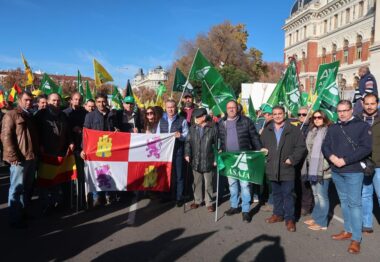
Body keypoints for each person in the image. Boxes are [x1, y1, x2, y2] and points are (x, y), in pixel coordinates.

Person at [322, 100, 372, 254]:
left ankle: (356, 239)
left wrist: (345, 160)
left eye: (345, 110)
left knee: (354, 204)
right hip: (337, 171)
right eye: (339, 111)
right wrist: (332, 157)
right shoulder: (334, 127)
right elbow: (325, 145)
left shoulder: (362, 126)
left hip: (354, 171)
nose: (342, 113)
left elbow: (366, 148)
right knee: (344, 202)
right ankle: (348, 230)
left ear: (351, 110)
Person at [260, 106, 307, 232]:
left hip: (287, 168)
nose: (277, 116)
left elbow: (301, 147)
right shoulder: (267, 130)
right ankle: (278, 214)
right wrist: (262, 149)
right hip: (272, 168)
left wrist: (292, 159)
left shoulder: (293, 129)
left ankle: (290, 219)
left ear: (284, 114)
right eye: (274, 114)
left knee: (288, 195)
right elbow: (261, 145)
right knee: (276, 194)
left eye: (279, 113)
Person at [218, 100, 262, 223]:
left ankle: (246, 210)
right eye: (229, 107)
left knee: (245, 185)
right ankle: (234, 206)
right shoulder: (222, 122)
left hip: (243, 157)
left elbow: (254, 136)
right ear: (226, 109)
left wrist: (259, 149)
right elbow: (220, 139)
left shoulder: (246, 121)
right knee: (232, 184)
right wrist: (219, 149)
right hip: (229, 158)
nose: (231, 109)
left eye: (233, 107)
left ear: (237, 108)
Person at [2, 91, 38, 228]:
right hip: (19, 159)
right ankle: (14, 218)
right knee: (16, 188)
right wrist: (12, 157)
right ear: (19, 100)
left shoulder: (29, 115)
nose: (29, 102)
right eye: (26, 100)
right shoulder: (11, 115)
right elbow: (6, 137)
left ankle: (22, 213)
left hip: (30, 157)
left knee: (26, 188)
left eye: (31, 100)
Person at [35, 93, 74, 213]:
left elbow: (68, 132)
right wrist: (39, 145)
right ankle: (45, 205)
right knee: (45, 181)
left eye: (58, 100)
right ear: (48, 101)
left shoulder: (63, 115)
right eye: (53, 100)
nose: (56, 103)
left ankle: (55, 203)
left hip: (60, 152)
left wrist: (71, 142)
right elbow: (35, 133)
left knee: (57, 179)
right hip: (46, 153)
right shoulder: (40, 115)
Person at [81, 93, 114, 207]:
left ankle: (108, 195)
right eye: (99, 102)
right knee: (96, 172)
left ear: (107, 102)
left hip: (109, 148)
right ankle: (96, 197)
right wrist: (83, 149)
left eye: (103, 101)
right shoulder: (90, 116)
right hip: (94, 149)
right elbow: (85, 133)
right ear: (96, 102)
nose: (101, 104)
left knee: (107, 171)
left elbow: (116, 129)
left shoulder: (112, 114)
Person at [301, 110, 331, 231]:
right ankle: (316, 217)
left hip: (323, 170)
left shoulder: (328, 131)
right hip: (312, 168)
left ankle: (322, 223)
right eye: (315, 117)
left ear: (324, 118)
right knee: (315, 195)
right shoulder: (312, 131)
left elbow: (331, 150)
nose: (317, 119)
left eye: (320, 117)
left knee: (322, 196)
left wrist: (325, 165)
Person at [185, 108, 217, 212]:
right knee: (196, 182)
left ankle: (209, 202)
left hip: (208, 160)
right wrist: (187, 153)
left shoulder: (212, 128)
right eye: (195, 117)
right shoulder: (192, 128)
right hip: (196, 160)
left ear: (203, 117)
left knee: (209, 183)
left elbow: (217, 145)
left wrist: (216, 158)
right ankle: (197, 200)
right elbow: (187, 142)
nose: (195, 119)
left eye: (198, 117)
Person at [157, 99, 189, 207]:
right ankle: (166, 196)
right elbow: (157, 136)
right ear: (165, 108)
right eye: (168, 107)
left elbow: (187, 136)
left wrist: (181, 136)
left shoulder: (182, 120)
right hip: (165, 153)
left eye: (172, 107)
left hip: (178, 152)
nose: (170, 109)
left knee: (179, 176)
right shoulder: (161, 121)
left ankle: (179, 197)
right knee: (166, 175)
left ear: (176, 108)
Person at [357, 93, 380, 234]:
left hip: (378, 165)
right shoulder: (357, 120)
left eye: (373, 103)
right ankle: (367, 224)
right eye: (367, 103)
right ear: (362, 103)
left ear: (377, 103)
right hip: (363, 164)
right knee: (365, 194)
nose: (370, 106)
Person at [63, 92, 88, 209]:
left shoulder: (85, 113)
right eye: (75, 99)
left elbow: (89, 127)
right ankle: (68, 201)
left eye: (79, 100)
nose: (77, 102)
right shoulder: (65, 113)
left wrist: (82, 129)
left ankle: (82, 200)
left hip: (81, 147)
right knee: (69, 177)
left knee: (81, 176)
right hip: (68, 148)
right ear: (71, 100)